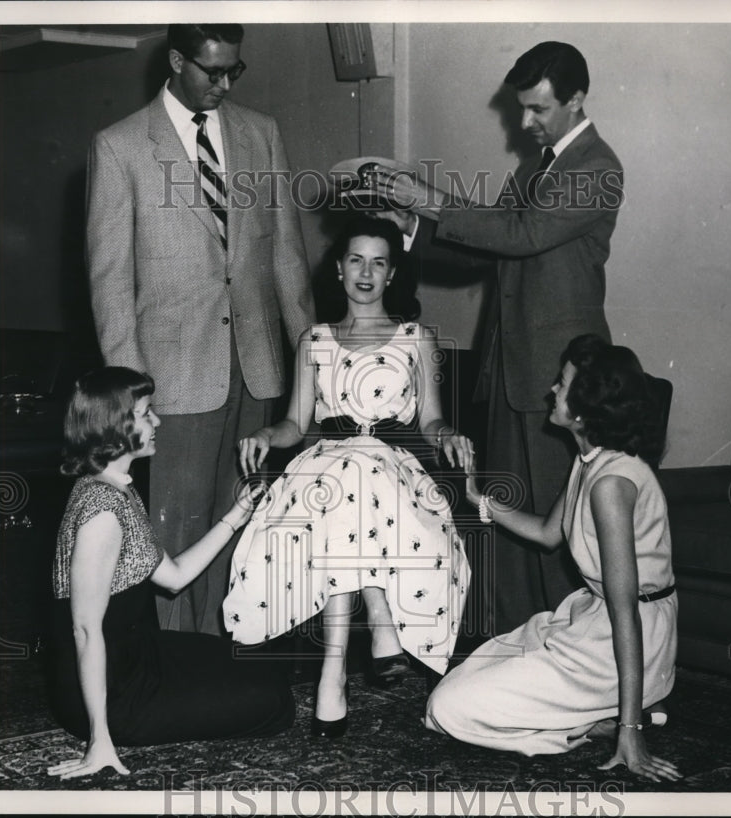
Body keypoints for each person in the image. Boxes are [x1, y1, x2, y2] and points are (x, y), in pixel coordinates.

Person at [372, 41, 624, 636]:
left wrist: (428, 199)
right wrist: (411, 224)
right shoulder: (534, 168)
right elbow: (489, 247)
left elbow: (523, 232)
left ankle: (570, 652)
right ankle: (513, 646)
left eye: (537, 110)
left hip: (564, 380)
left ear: (576, 99)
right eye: (522, 110)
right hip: (510, 369)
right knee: (506, 522)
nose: (526, 123)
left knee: (563, 535)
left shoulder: (598, 168)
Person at [86, 24, 315, 637]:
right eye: (211, 71)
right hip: (170, 376)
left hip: (256, 366)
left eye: (233, 71)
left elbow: (288, 259)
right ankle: (177, 666)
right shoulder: (121, 146)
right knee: (174, 531)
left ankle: (218, 658)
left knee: (238, 521)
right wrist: (130, 396)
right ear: (176, 61)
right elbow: (110, 284)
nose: (223, 84)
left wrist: (315, 365)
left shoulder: (260, 133)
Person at [222, 217, 473, 737]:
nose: (366, 272)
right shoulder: (314, 340)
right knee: (343, 492)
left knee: (355, 478)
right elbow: (296, 423)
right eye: (356, 260)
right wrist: (269, 435)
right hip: (331, 472)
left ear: (391, 273)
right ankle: (376, 621)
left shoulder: (415, 338)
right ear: (338, 270)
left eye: (378, 262)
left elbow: (429, 419)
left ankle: (330, 675)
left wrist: (448, 433)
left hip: (391, 475)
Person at [425, 336, 680, 783]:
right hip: (591, 620)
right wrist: (476, 498)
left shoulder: (610, 485)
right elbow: (548, 534)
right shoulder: (591, 459)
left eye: (561, 385)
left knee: (447, 710)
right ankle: (600, 715)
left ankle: (610, 722)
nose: (551, 391)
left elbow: (625, 612)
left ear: (582, 409)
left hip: (622, 636)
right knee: (463, 682)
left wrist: (630, 734)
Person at [46, 367, 294, 779]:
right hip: (116, 692)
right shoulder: (102, 512)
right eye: (146, 413)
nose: (157, 421)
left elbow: (175, 576)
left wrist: (238, 514)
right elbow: (85, 631)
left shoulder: (116, 487)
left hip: (139, 653)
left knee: (259, 665)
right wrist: (100, 737)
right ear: (115, 425)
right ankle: (105, 731)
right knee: (272, 703)